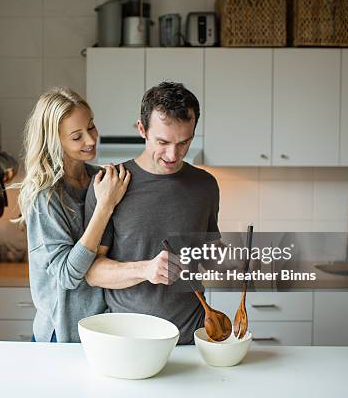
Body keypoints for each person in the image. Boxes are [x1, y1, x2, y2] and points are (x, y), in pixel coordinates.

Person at [84, 81, 221, 344]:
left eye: (184, 143)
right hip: (128, 340)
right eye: (162, 142)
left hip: (191, 340)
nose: (173, 154)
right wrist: (146, 269)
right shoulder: (110, 184)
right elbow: (93, 273)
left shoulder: (206, 186)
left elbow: (208, 257)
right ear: (141, 129)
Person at [16, 87, 131, 342]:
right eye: (77, 136)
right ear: (55, 141)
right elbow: (68, 275)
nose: (91, 140)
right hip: (63, 334)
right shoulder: (44, 197)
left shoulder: (99, 179)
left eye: (91, 127)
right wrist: (104, 206)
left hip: (103, 325)